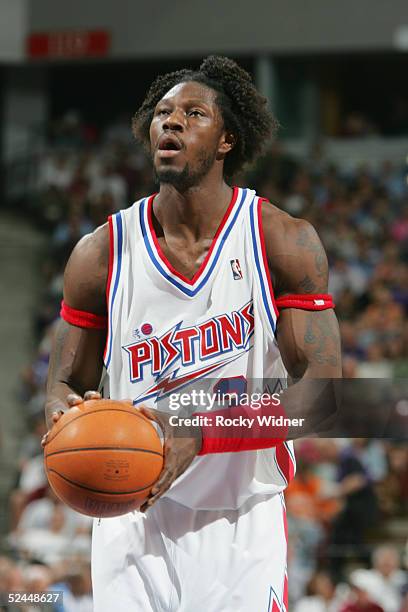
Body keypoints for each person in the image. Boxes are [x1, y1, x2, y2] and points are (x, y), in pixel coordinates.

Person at [43, 56, 341, 611]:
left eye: (192, 113)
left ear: (227, 139)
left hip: (239, 522)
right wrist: (67, 421)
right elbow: (63, 385)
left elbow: (324, 398)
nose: (171, 122)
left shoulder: (282, 241)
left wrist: (201, 432)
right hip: (131, 515)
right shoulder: (100, 254)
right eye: (162, 113)